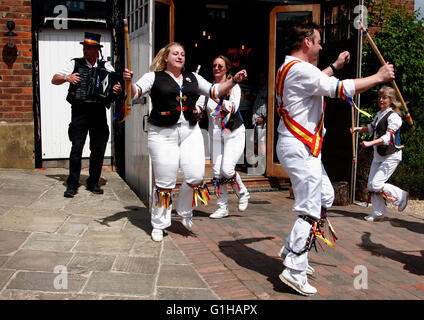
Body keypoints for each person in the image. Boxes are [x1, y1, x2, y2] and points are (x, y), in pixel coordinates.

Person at [275, 23, 395, 296]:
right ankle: (293, 269)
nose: (320, 46)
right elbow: (338, 89)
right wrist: (377, 77)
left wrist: (335, 65)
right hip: (300, 146)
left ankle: (291, 248)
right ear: (306, 42)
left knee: (325, 197)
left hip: (304, 147)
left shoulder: (290, 67)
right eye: (317, 42)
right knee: (309, 209)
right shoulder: (300, 70)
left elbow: (317, 81)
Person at [123, 43, 247, 241]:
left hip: (190, 131)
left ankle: (183, 208)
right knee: (165, 182)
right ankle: (159, 224)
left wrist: (233, 82)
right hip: (162, 134)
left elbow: (215, 90)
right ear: (166, 57)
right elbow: (135, 92)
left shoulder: (193, 78)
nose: (180, 56)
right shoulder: (153, 77)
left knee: (196, 176)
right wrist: (128, 82)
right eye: (175, 53)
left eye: (182, 54)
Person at [52, 32, 122, 198]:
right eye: (85, 47)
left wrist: (116, 89)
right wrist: (67, 78)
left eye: (89, 48)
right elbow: (54, 79)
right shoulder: (75, 63)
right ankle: (72, 184)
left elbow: (115, 86)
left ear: (97, 50)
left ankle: (93, 182)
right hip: (80, 111)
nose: (86, 50)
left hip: (98, 111)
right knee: (77, 147)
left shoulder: (106, 66)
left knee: (98, 148)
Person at [196, 55, 250, 219]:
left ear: (226, 68)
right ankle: (222, 207)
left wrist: (218, 99)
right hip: (215, 136)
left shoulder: (234, 87)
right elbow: (199, 105)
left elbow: (233, 108)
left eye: (220, 66)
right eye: (214, 65)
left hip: (233, 133)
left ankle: (243, 192)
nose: (217, 68)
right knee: (218, 172)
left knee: (227, 170)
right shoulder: (208, 88)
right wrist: (194, 110)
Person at [351, 86, 408, 221]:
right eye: (380, 97)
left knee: (377, 184)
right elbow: (370, 128)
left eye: (384, 98)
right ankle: (378, 213)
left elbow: (387, 139)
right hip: (379, 155)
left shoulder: (394, 117)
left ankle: (401, 196)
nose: (381, 100)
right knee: (371, 185)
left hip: (391, 156)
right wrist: (357, 129)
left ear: (391, 100)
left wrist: (369, 144)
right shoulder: (379, 114)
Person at [250, 71, 268, 174]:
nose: (261, 79)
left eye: (263, 77)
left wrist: (263, 116)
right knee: (255, 143)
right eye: (259, 77)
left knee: (262, 144)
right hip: (255, 120)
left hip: (262, 121)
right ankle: (256, 165)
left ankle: (263, 166)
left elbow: (269, 103)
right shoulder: (258, 89)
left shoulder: (267, 90)